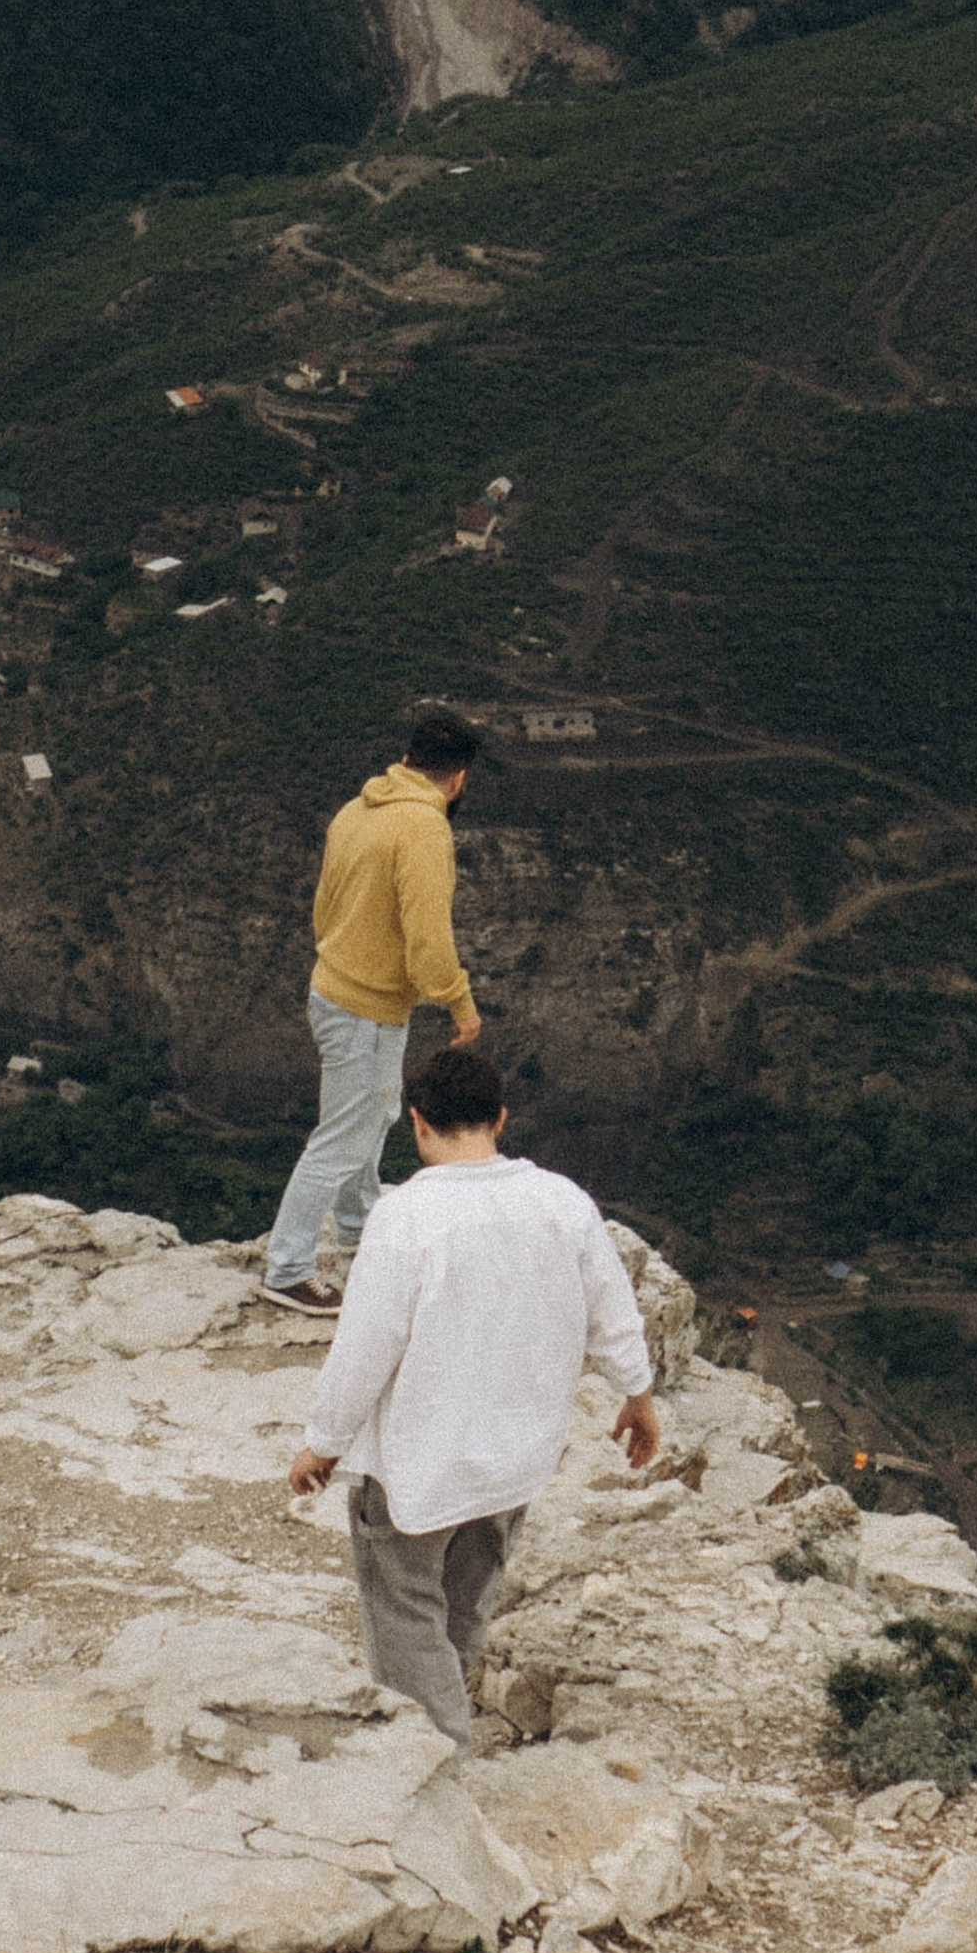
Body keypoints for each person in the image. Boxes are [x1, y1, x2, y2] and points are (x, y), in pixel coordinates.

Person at [288, 1043, 660, 1745]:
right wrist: (637, 1394)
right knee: (462, 1610)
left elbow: (365, 1349)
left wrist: (324, 1443)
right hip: (514, 1461)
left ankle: (438, 1759)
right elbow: (613, 1309)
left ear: (418, 1122)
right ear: (501, 1119)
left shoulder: (405, 1219)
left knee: (403, 1617)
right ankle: (444, 1731)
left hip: (415, 1466)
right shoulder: (562, 1202)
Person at [260, 708, 485, 1316]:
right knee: (340, 1136)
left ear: (407, 760)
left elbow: (324, 904)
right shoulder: (423, 829)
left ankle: (360, 1222)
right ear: (458, 778)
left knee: (377, 1109)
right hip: (365, 1005)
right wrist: (459, 1002)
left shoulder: (357, 810)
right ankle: (286, 1269)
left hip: (336, 987)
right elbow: (429, 937)